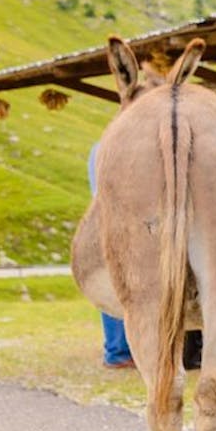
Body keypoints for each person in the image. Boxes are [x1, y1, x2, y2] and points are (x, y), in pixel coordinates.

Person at [87, 142, 133, 369]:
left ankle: (118, 350)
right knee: (118, 287)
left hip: (107, 220)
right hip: (118, 222)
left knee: (114, 286)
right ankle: (118, 351)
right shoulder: (111, 147)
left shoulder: (100, 147)